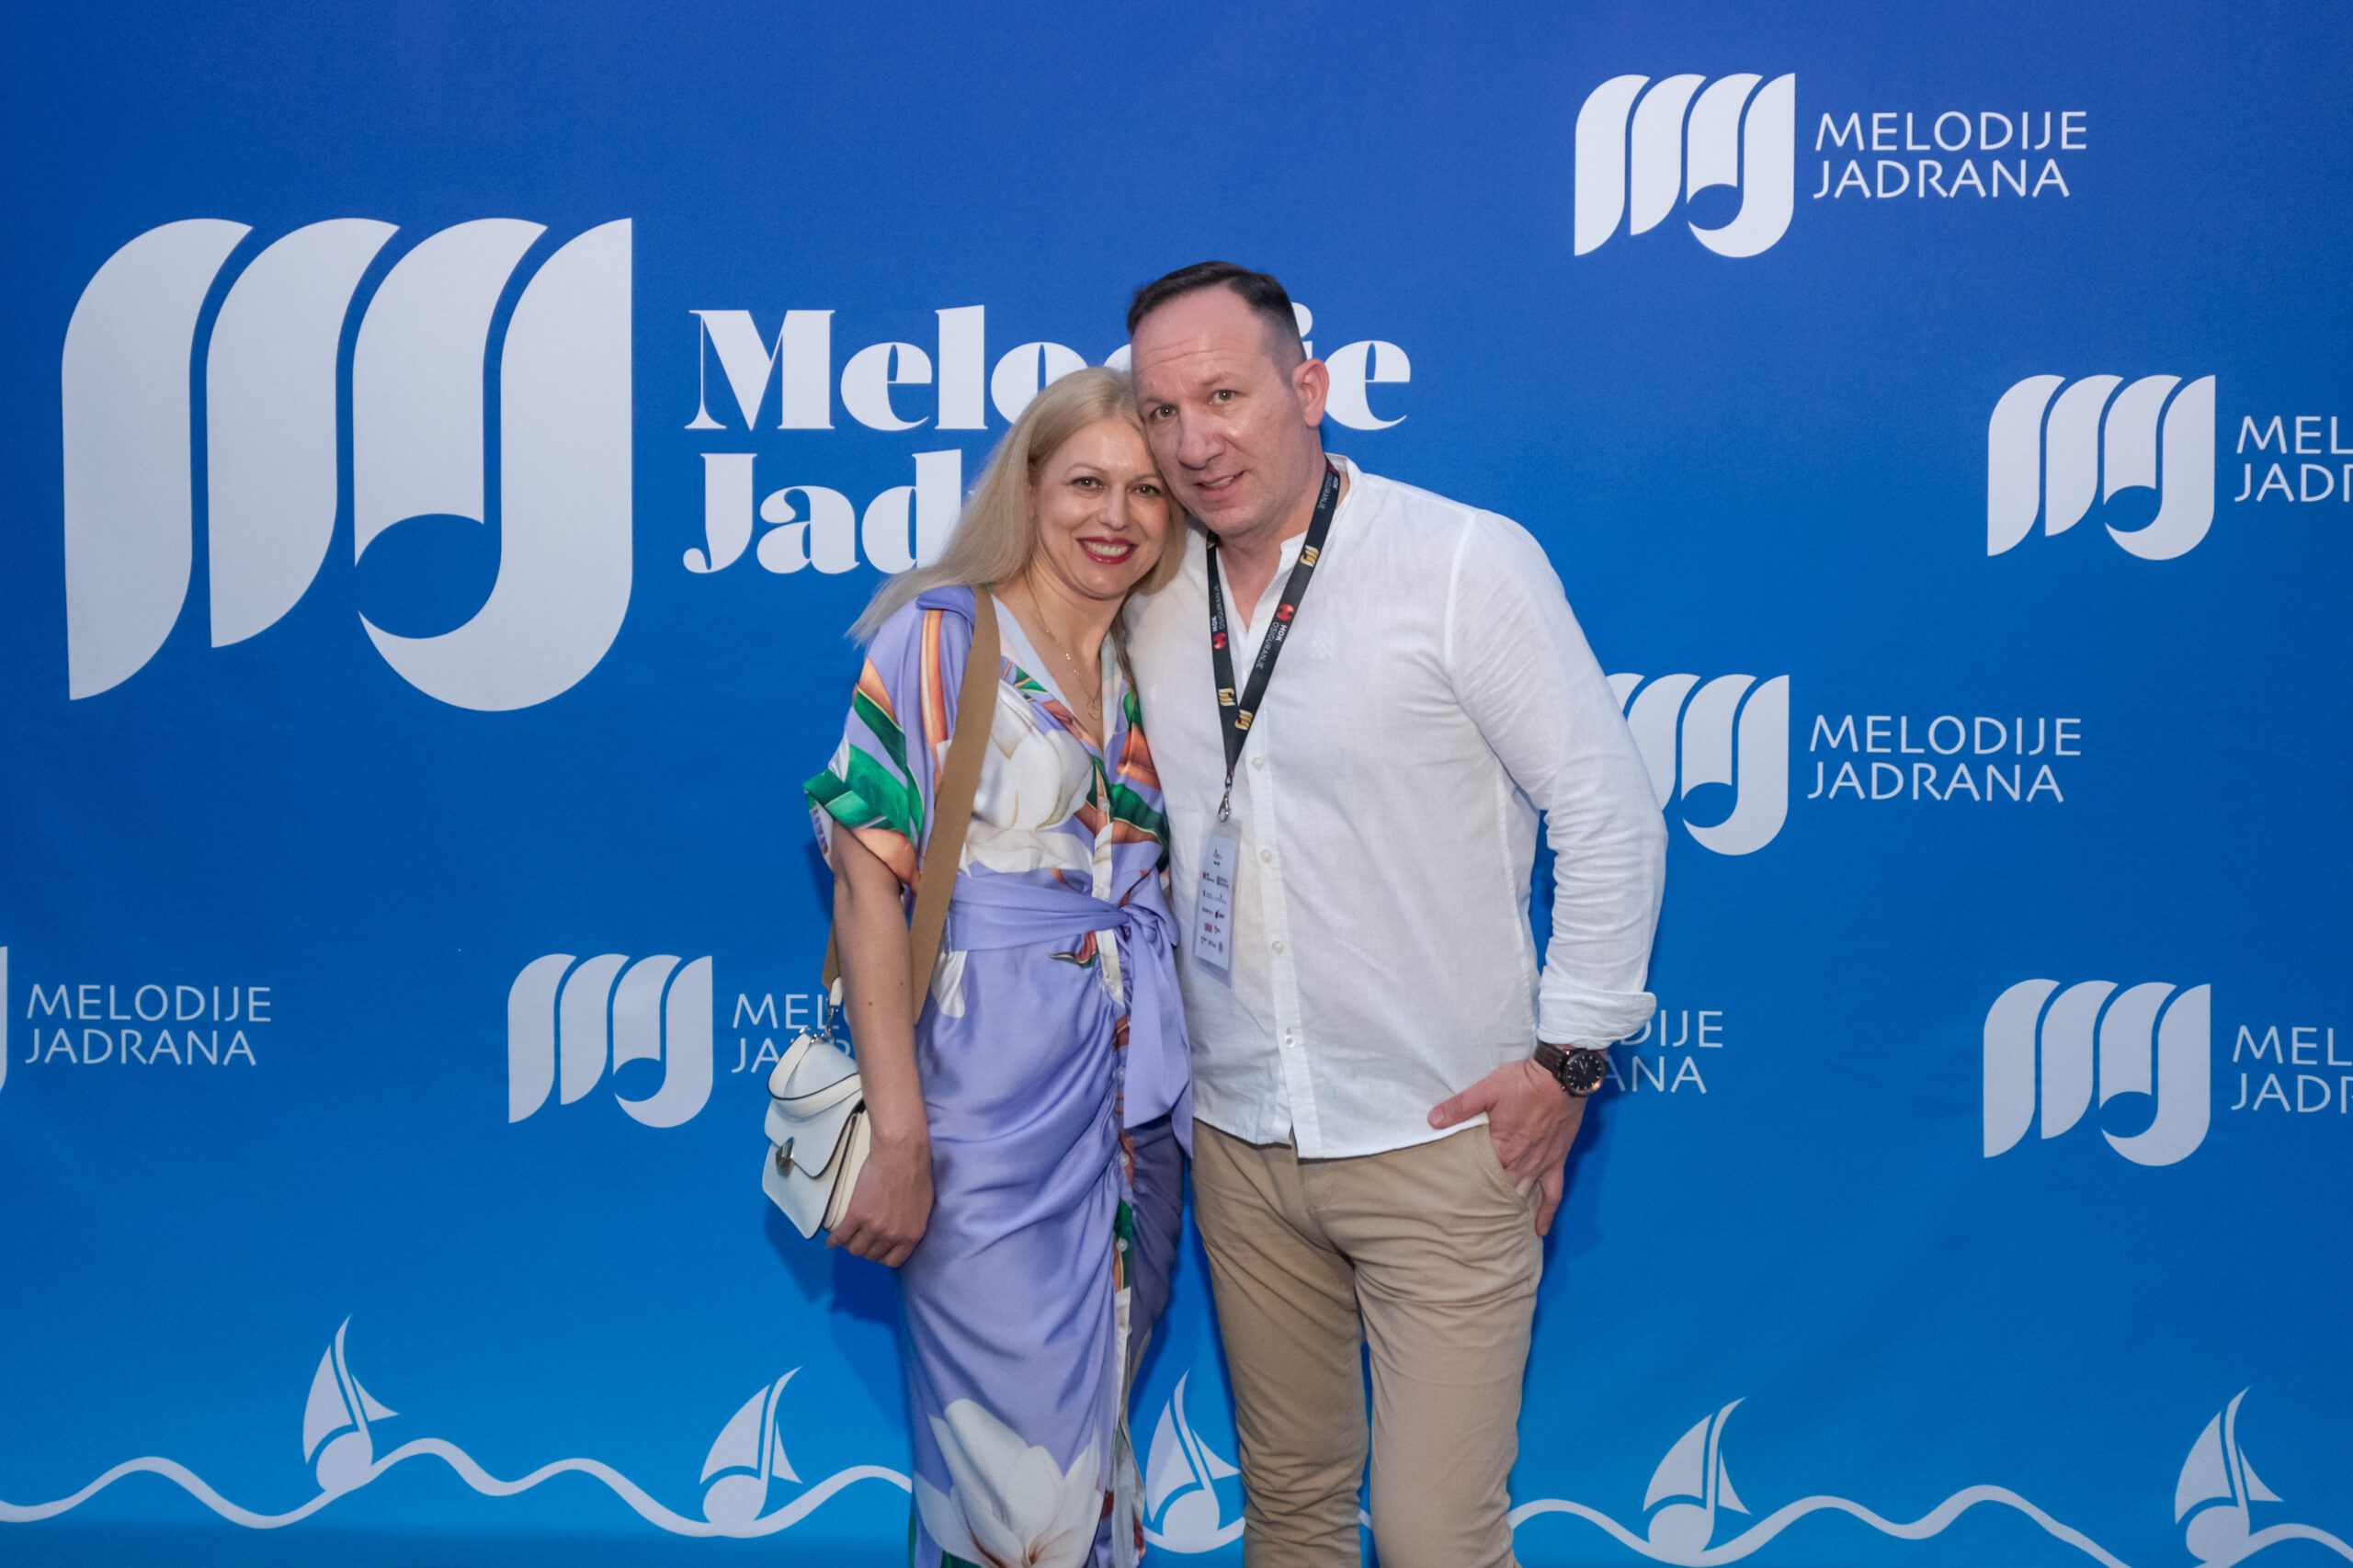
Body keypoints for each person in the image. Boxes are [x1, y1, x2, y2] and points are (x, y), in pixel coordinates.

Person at [1120, 263, 1666, 1568]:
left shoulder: (1461, 560)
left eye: (1225, 396)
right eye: (1161, 412)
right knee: (1292, 1517)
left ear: (1308, 389)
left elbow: (1609, 815)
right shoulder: (1144, 593)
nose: (1194, 443)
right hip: (1239, 1140)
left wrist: (1568, 1061)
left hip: (1439, 1135)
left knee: (1434, 1541)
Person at [805, 366, 1193, 1568]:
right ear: (1028, 487)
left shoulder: (1146, 660)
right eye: (1086, 482)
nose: (1115, 515)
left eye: (1146, 490)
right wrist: (903, 1134)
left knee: (1092, 1460)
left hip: (1135, 1118)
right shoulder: (946, 634)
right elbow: (867, 884)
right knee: (1011, 1490)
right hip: (979, 1114)